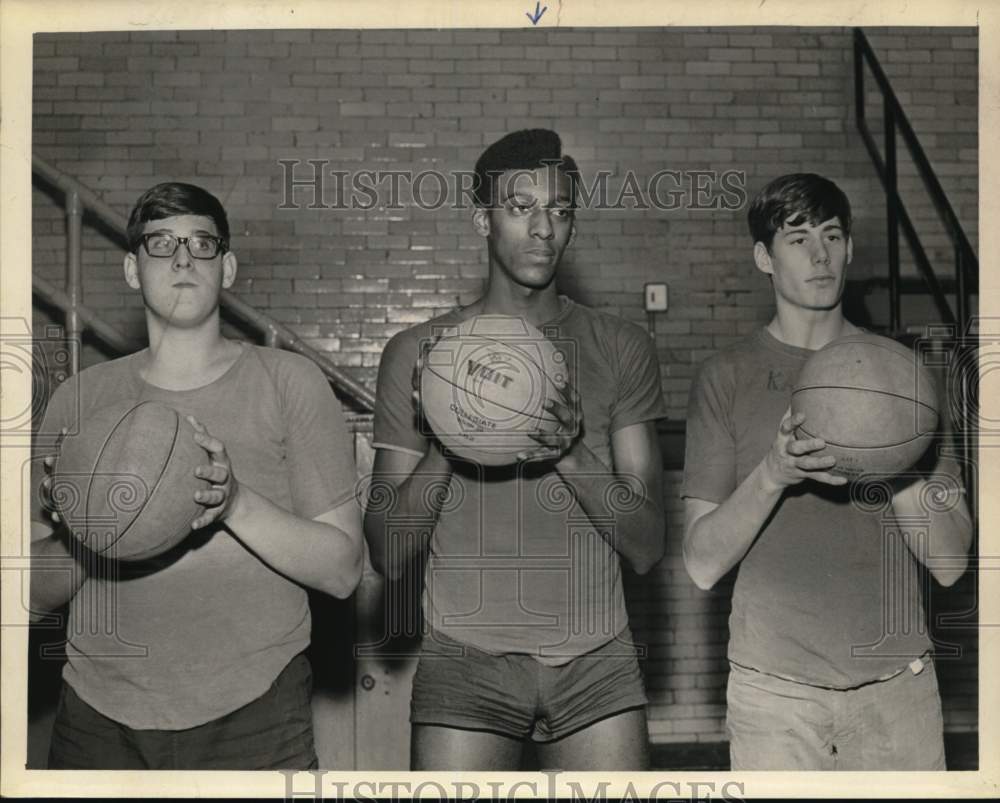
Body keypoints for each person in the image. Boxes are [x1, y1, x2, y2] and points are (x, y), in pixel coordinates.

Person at [29, 182, 364, 770]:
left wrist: (233, 503)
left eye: (201, 243)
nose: (183, 259)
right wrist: (83, 530)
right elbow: (27, 598)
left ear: (227, 267)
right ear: (132, 270)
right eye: (161, 244)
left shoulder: (289, 381)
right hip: (98, 719)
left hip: (256, 714)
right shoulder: (81, 400)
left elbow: (342, 573)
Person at [364, 129, 667, 770]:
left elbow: (647, 545)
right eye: (519, 207)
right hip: (464, 660)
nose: (542, 229)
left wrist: (569, 449)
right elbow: (388, 552)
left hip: (598, 661)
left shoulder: (620, 346)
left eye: (559, 211)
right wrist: (448, 440)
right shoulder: (418, 354)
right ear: (482, 218)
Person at [681, 172, 973, 770]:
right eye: (797, 239)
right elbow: (701, 564)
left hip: (897, 688)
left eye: (832, 235)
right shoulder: (726, 377)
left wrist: (894, 454)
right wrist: (773, 473)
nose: (820, 255)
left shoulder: (905, 378)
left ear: (849, 247)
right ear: (764, 257)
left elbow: (950, 563)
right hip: (773, 696)